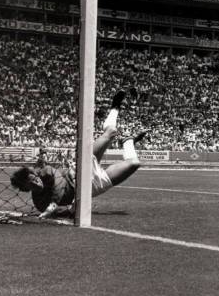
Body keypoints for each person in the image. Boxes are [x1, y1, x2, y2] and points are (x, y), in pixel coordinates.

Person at [10, 91, 146, 219]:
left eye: (33, 178)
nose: (36, 182)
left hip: (79, 168)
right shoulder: (40, 203)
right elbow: (63, 212)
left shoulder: (45, 173)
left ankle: (115, 106)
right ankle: (128, 141)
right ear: (26, 189)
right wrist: (72, 208)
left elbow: (57, 181)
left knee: (110, 132)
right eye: (31, 184)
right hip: (91, 186)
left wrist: (54, 203)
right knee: (134, 163)